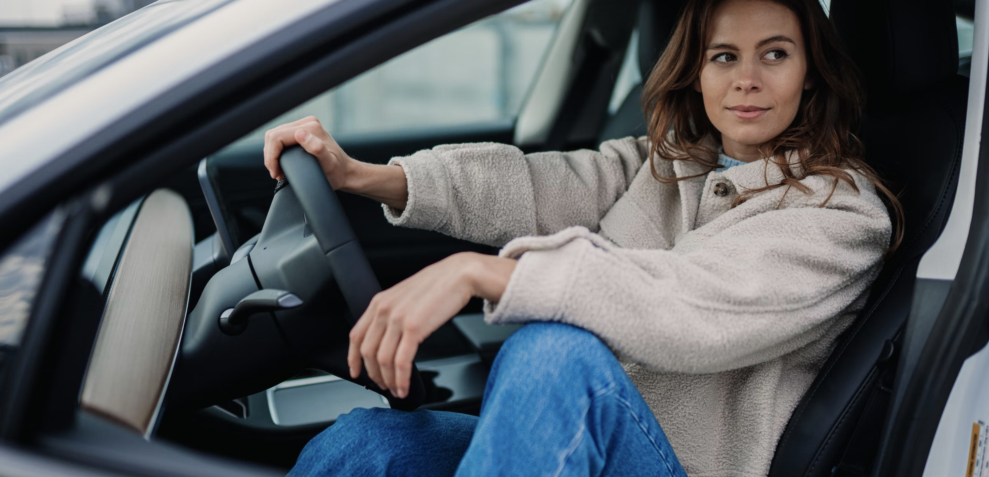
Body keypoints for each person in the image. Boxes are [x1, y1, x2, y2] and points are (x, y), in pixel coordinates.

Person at [263, 0, 901, 475]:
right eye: (724, 56)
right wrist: (360, 176)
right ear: (697, 72)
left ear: (810, 73)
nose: (747, 79)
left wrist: (477, 273)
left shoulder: (842, 217)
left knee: (554, 357)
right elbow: (536, 186)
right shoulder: (671, 163)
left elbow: (681, 304)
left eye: (776, 53)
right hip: (597, 446)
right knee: (369, 448)